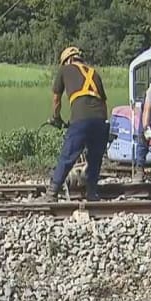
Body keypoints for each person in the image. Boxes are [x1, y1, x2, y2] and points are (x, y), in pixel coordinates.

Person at [45, 46, 109, 202]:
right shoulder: (94, 73)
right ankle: (92, 193)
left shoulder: (65, 70)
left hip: (81, 118)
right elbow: (104, 102)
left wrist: (56, 117)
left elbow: (56, 99)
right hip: (101, 119)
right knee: (95, 158)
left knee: (68, 155)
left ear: (67, 60)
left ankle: (52, 193)